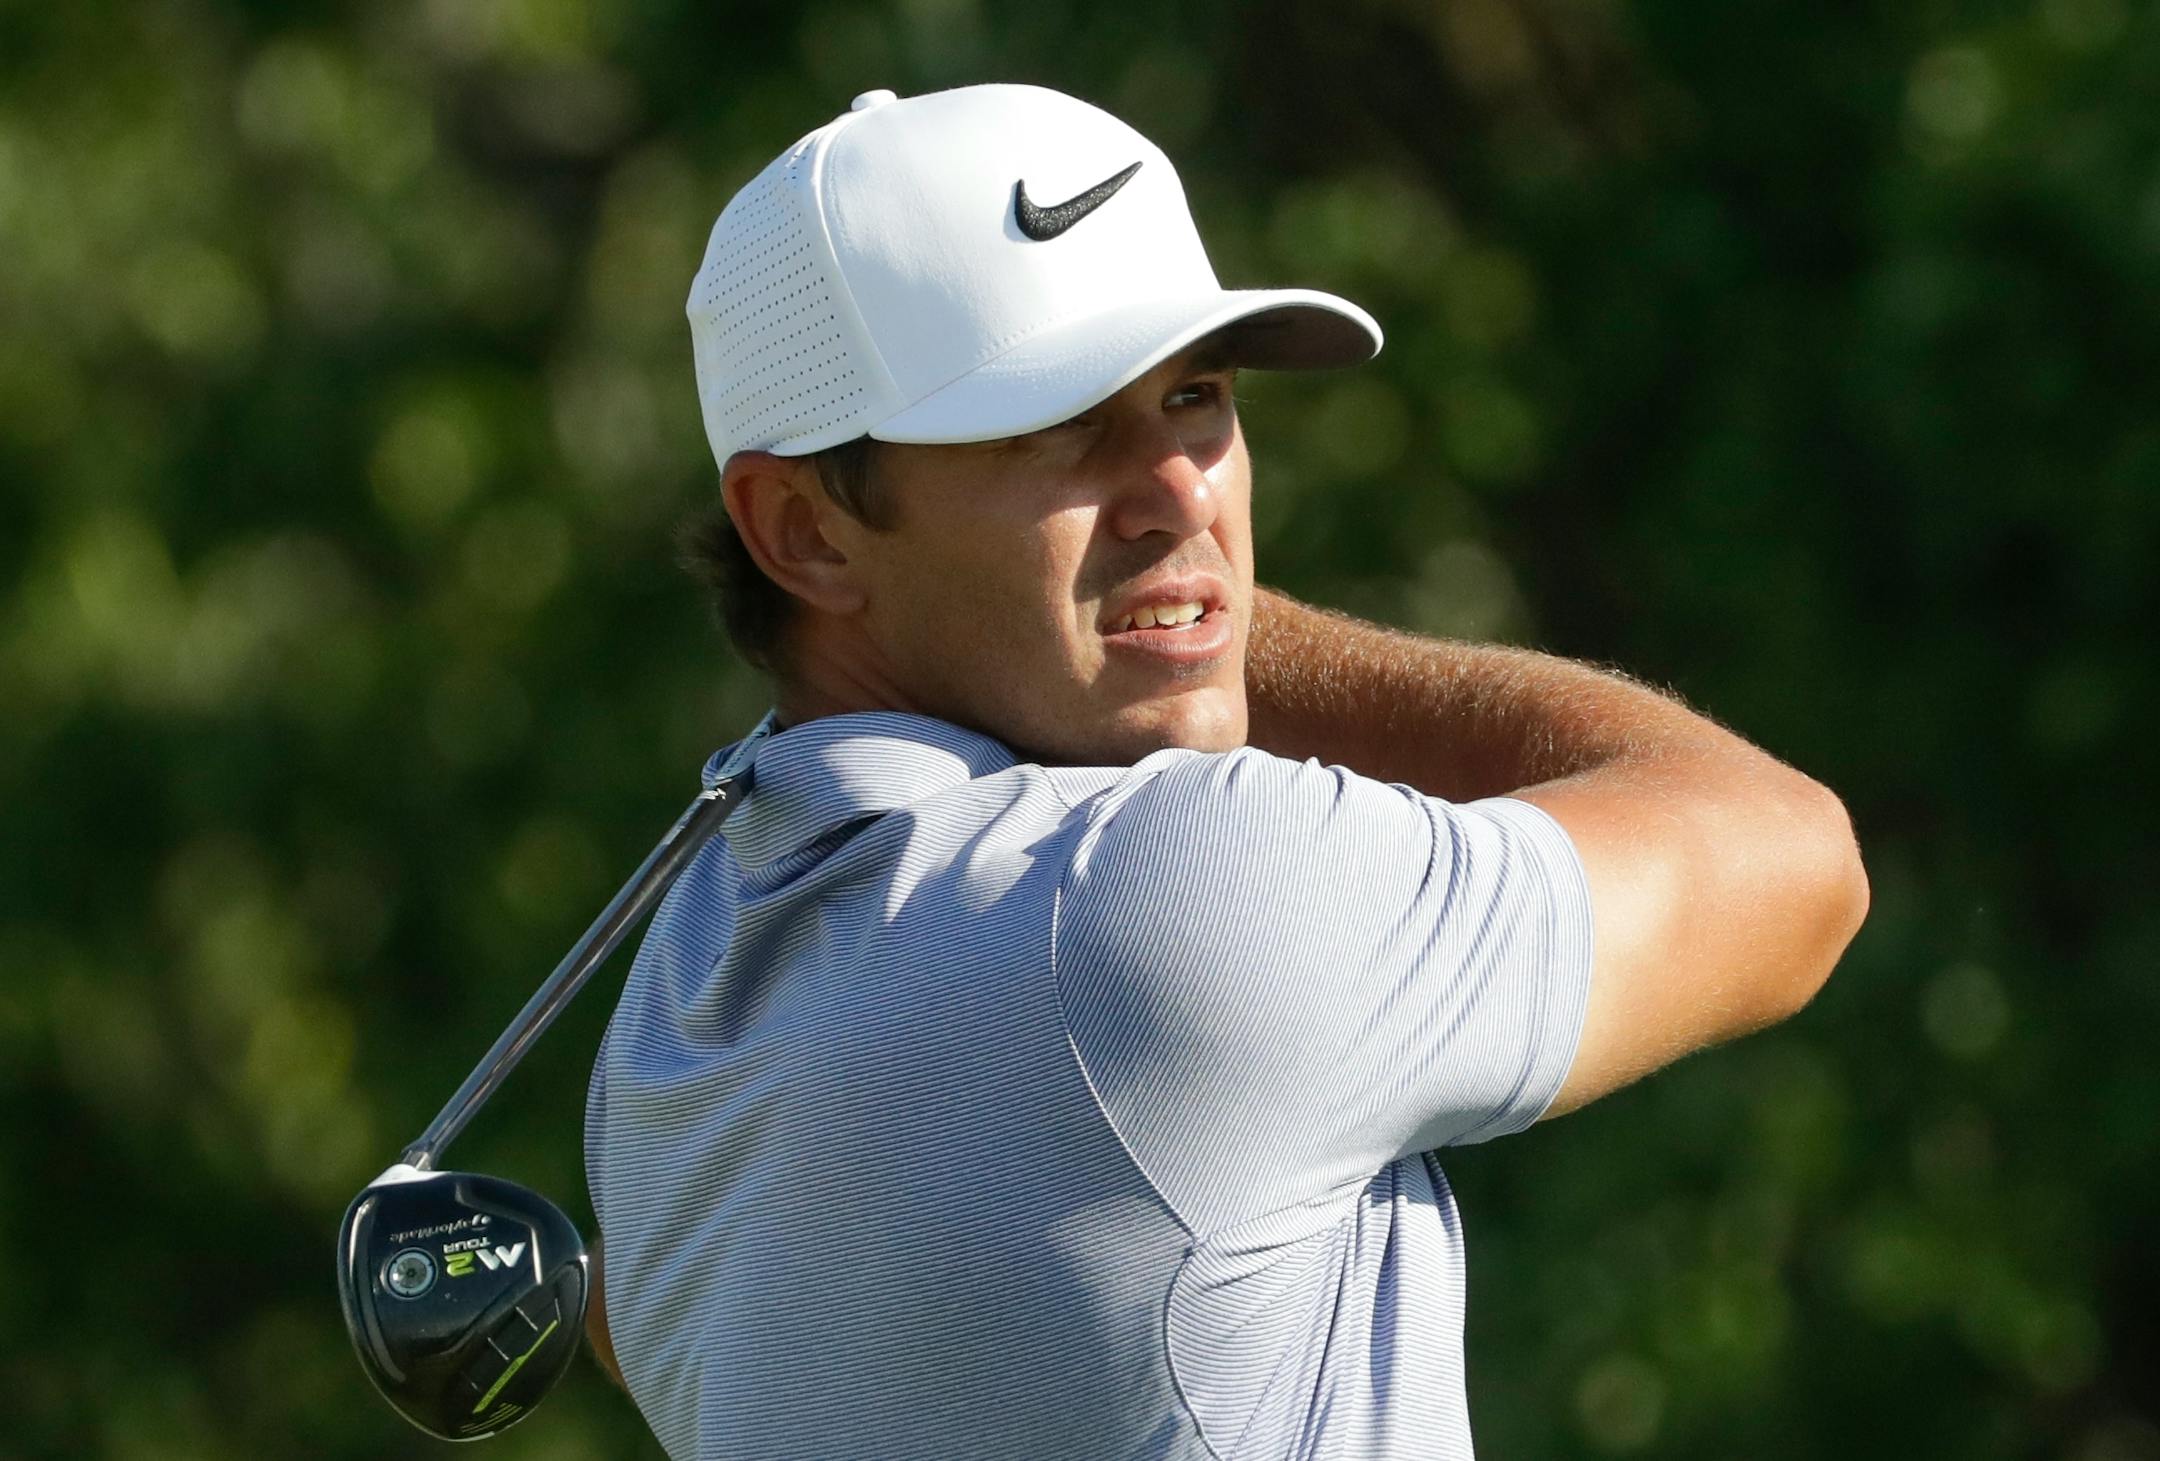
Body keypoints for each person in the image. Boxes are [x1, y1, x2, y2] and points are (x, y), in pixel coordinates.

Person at [582, 82, 1868, 1459]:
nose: (1186, 492)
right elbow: (1792, 859)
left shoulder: (662, 1030)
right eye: (1060, 424)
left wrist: (1155, 612)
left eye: (1195, 397)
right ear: (803, 530)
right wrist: (1218, 620)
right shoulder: (1163, 885)